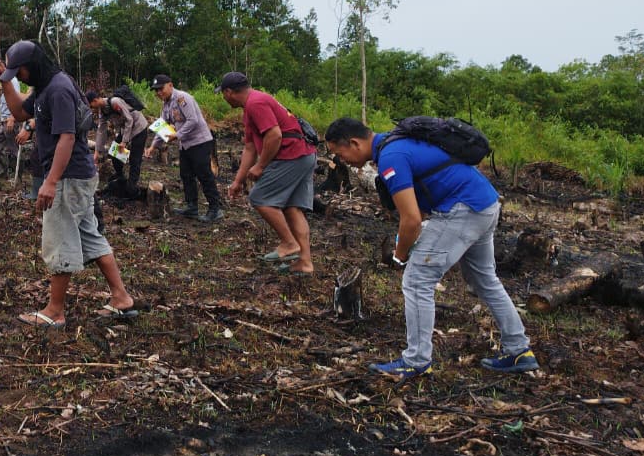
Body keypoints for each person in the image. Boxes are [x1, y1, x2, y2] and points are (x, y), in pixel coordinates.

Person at [324, 116, 538, 380]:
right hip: (485, 204)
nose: (340, 160)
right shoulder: (397, 143)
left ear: (354, 143)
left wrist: (400, 256)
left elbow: (411, 219)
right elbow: (422, 211)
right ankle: (519, 350)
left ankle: (415, 361)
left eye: (339, 153)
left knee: (416, 281)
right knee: (485, 280)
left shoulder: (392, 156)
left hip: (464, 209)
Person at [0, 40, 137, 327]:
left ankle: (55, 311)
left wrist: (51, 181)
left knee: (59, 238)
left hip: (68, 176)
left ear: (31, 67)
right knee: (89, 237)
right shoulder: (45, 86)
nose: (17, 77)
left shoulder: (57, 90)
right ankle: (121, 297)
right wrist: (4, 82)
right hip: (74, 175)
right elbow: (20, 113)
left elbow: (67, 137)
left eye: (18, 73)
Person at [219, 72, 317, 276]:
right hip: (303, 155)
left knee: (260, 197)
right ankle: (305, 263)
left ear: (229, 92)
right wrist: (238, 181)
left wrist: (261, 166)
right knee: (292, 209)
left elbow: (274, 135)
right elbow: (249, 148)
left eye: (223, 93)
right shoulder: (251, 106)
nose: (223, 97)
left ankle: (290, 244)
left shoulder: (256, 103)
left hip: (292, 154)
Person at [144, 74, 223, 222]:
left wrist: (177, 135)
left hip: (199, 142)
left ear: (170, 85)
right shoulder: (166, 104)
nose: (159, 93)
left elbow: (193, 121)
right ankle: (192, 207)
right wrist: (153, 146)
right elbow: (162, 126)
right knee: (186, 174)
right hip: (185, 144)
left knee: (204, 174)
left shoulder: (182, 98)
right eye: (156, 90)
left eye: (161, 89)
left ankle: (215, 209)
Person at [87, 89, 149, 198]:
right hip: (125, 130)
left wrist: (124, 142)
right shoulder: (103, 111)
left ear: (96, 100)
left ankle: (132, 188)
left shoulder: (115, 102)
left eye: (91, 106)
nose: (92, 109)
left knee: (135, 159)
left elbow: (129, 120)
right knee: (115, 155)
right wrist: (97, 151)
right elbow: (101, 130)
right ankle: (120, 176)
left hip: (139, 129)